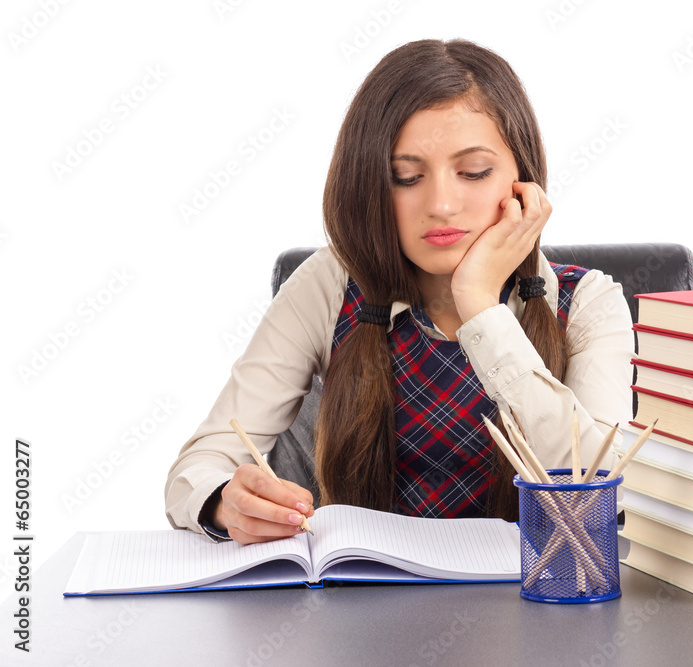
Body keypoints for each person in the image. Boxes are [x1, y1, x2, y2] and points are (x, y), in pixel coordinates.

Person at [165, 39, 634, 545]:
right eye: (405, 177)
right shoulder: (330, 283)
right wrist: (222, 502)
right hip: (362, 609)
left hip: (537, 608)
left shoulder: (587, 301)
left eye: (473, 172)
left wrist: (479, 304)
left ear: (522, 178)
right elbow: (199, 466)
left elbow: (604, 491)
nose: (442, 205)